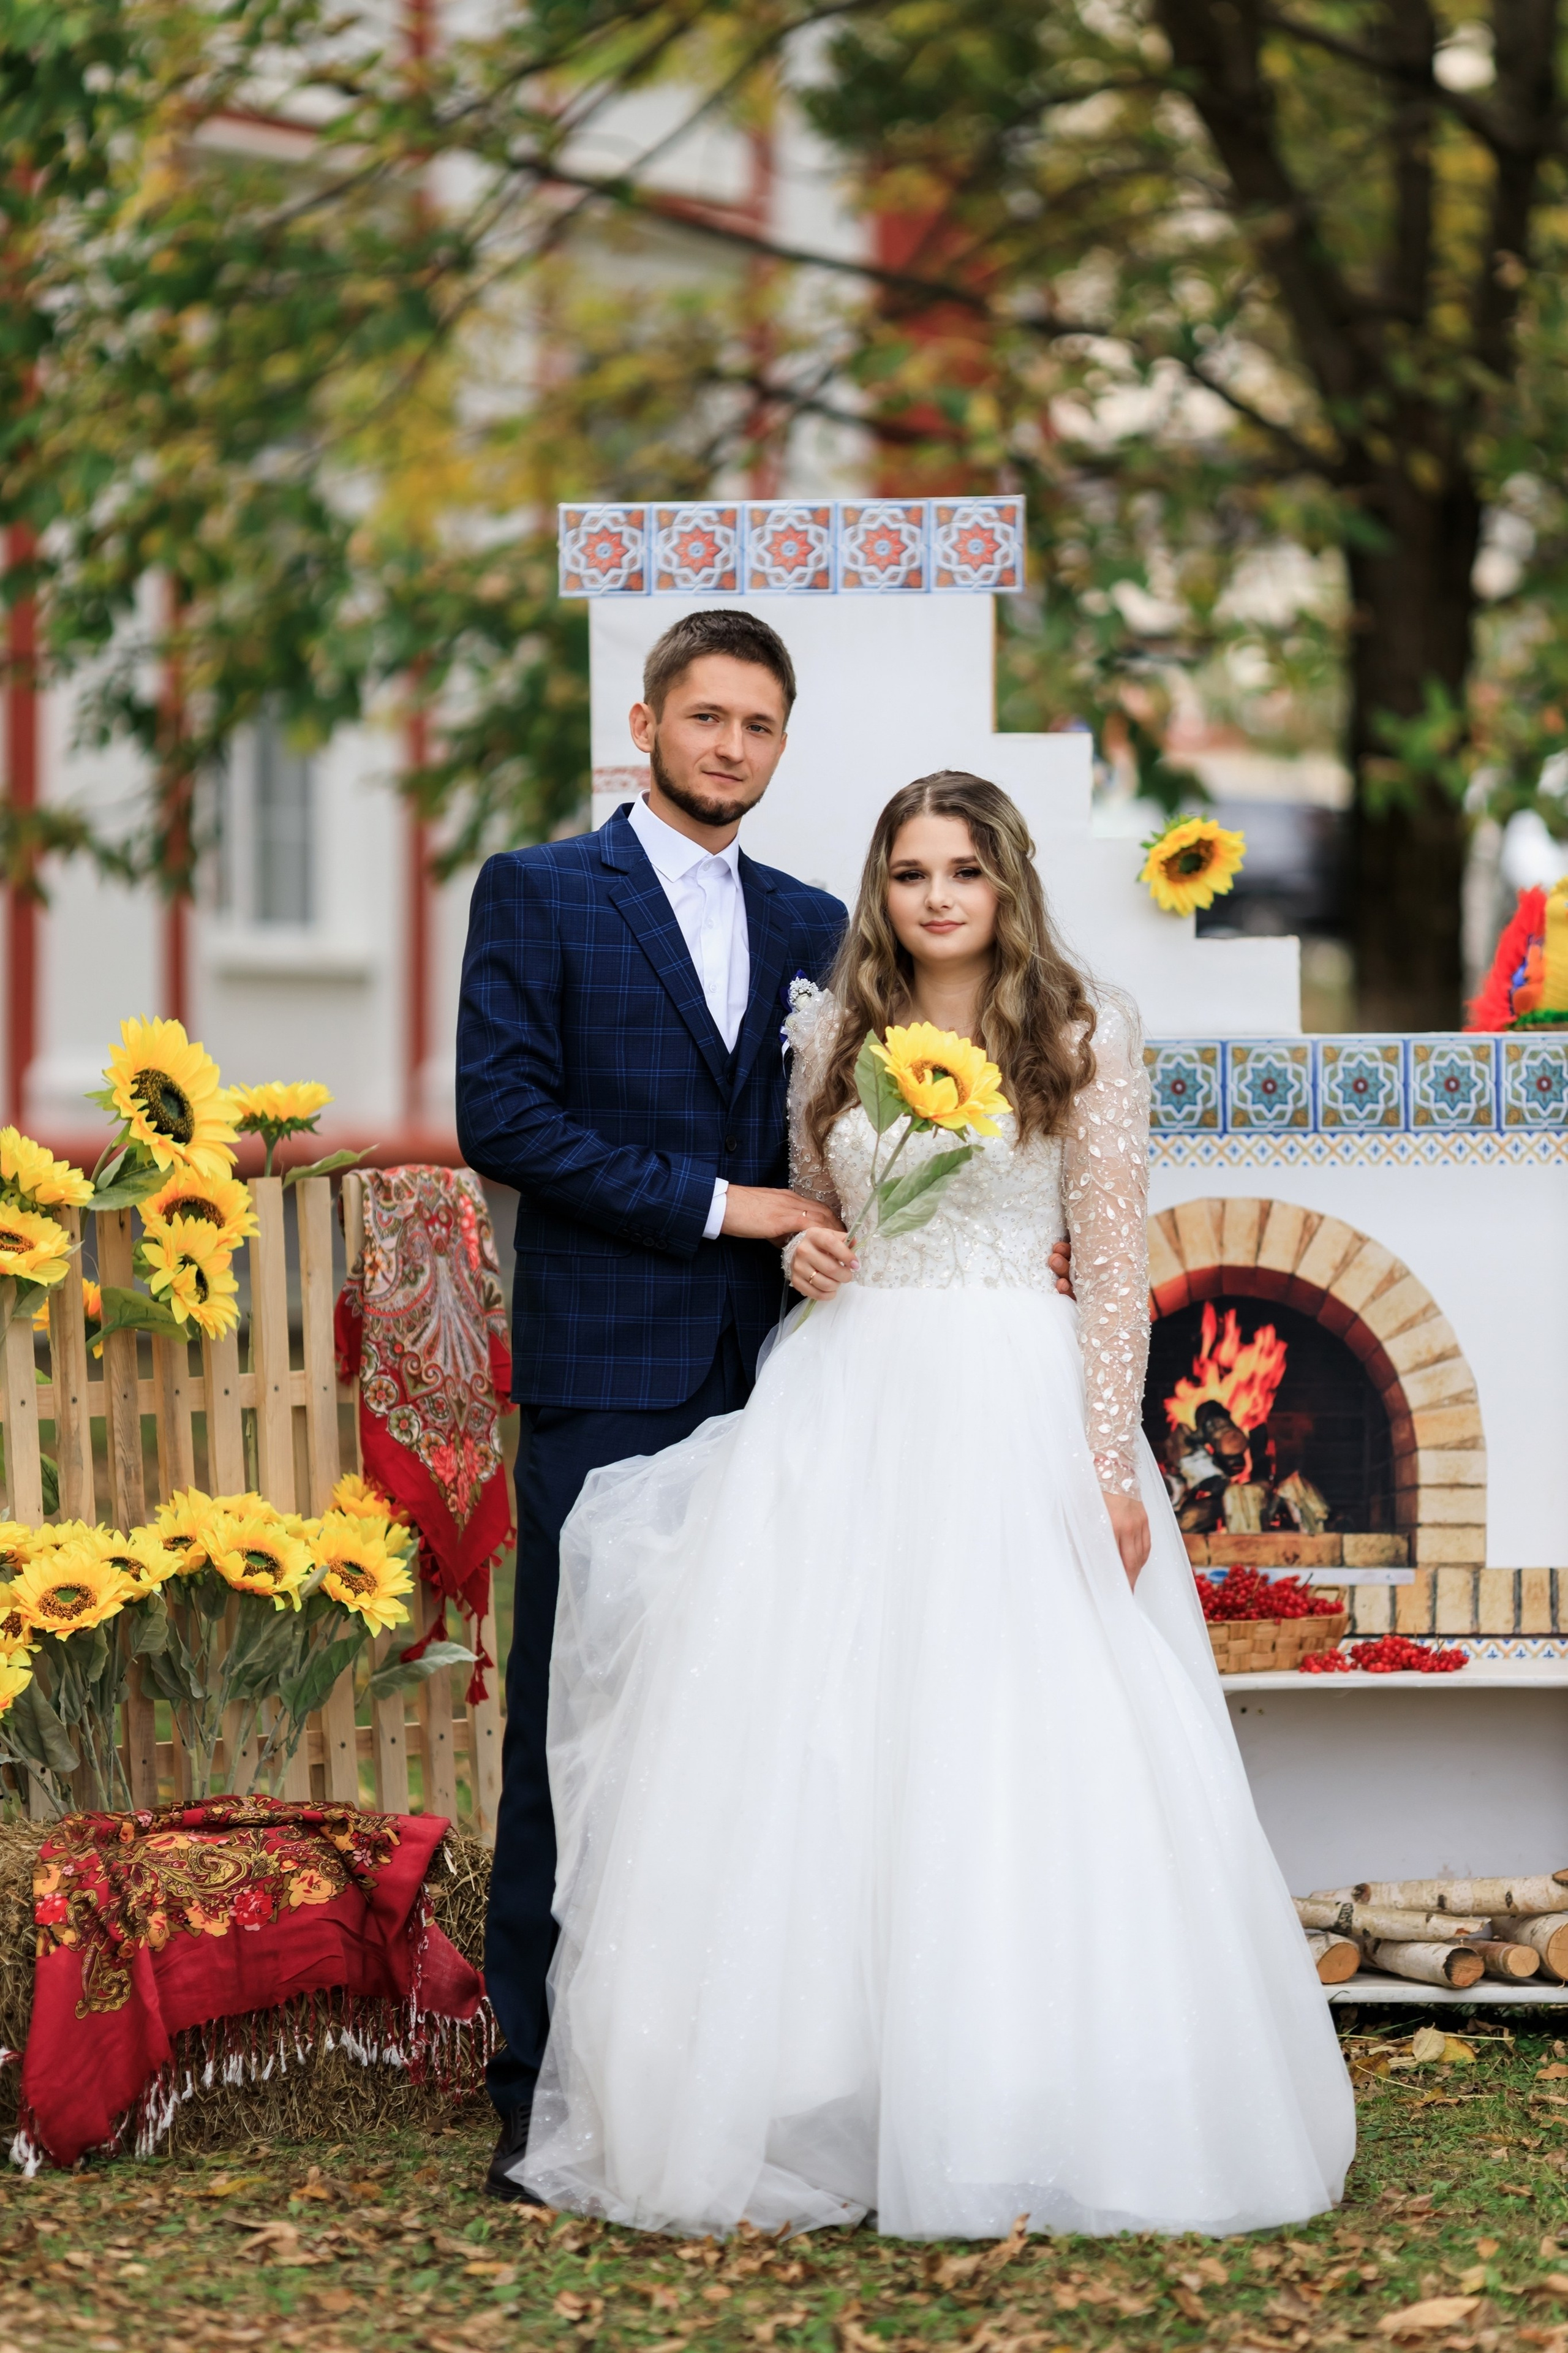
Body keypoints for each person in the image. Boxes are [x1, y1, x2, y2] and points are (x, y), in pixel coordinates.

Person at [510, 771, 1355, 2237]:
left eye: (962, 869)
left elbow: (1111, 1268)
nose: (937, 896)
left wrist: (1109, 1468)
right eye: (909, 872)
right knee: (832, 1731)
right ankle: (834, 2082)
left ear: (1005, 881)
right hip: (848, 1394)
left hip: (1012, 1399)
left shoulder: (1079, 1033)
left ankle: (1024, 2081)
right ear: (880, 890)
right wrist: (806, 1258)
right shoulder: (829, 1030)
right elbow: (814, 1216)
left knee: (1008, 1733)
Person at [456, 616, 1075, 2198]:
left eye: (759, 726)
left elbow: (846, 1146)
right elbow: (503, 1118)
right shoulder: (538, 891)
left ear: (783, 743)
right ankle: (544, 2089)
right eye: (706, 717)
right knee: (578, 1717)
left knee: (762, 1737)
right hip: (611, 1371)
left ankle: (747, 2075)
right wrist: (730, 1209)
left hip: (796, 1379)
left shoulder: (818, 924)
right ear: (647, 722)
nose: (730, 746)